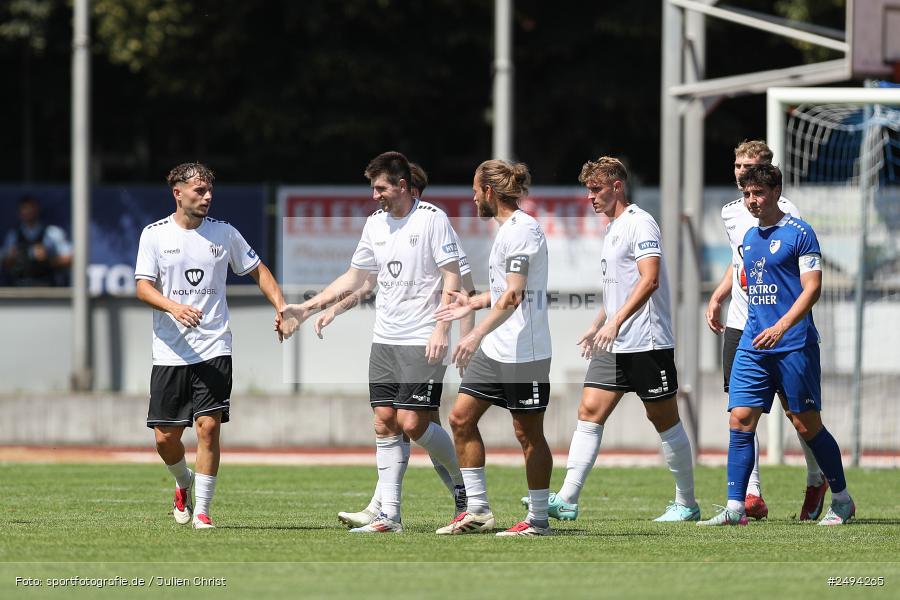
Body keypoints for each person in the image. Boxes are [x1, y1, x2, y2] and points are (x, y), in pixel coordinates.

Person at [281, 151, 466, 534]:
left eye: (380, 188)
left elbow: (453, 277)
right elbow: (357, 278)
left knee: (413, 422)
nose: (374, 195)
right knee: (384, 422)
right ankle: (388, 516)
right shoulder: (375, 225)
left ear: (401, 186)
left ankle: (465, 489)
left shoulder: (432, 220)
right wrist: (310, 308)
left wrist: (442, 329)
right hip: (385, 339)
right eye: (372, 188)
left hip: (421, 338)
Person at [530, 156, 699, 524]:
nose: (590, 197)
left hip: (647, 343)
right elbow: (618, 291)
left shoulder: (640, 223)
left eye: (596, 189)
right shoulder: (613, 228)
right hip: (616, 342)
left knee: (664, 420)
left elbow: (649, 279)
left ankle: (686, 503)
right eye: (588, 190)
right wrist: (599, 323)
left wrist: (616, 322)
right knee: (589, 410)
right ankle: (568, 498)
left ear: (617, 186)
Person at [134, 162, 290, 529]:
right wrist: (174, 307)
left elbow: (259, 271)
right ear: (178, 193)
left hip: (215, 346)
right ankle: (183, 481)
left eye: (209, 191)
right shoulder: (154, 235)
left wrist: (282, 307)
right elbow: (142, 286)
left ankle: (202, 511)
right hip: (170, 351)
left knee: (208, 428)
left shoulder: (225, 233)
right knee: (165, 439)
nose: (207, 197)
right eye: (199, 191)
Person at [698, 164, 855, 527]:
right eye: (747, 194)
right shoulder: (749, 240)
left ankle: (843, 500)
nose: (752, 201)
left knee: (805, 425)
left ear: (776, 192)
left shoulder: (800, 233)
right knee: (740, 420)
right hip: (755, 344)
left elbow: (812, 288)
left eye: (759, 193)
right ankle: (736, 506)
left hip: (793, 344)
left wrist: (783, 326)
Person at [433, 159, 554, 537]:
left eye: (474, 190)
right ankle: (479, 510)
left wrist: (474, 334)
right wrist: (473, 302)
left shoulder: (523, 231)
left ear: (489, 191)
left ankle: (537, 521)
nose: (472, 198)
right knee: (460, 419)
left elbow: (515, 295)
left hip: (525, 353)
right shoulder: (505, 232)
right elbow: (505, 291)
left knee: (528, 434)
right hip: (498, 348)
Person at [2, 195, 73, 286]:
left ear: (37, 210)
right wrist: (13, 258)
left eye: (31, 208)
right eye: (25, 209)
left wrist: (47, 259)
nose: (29, 212)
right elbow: (5, 262)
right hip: (20, 286)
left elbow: (69, 259)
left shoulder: (52, 233)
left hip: (46, 285)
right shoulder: (13, 235)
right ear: (19, 212)